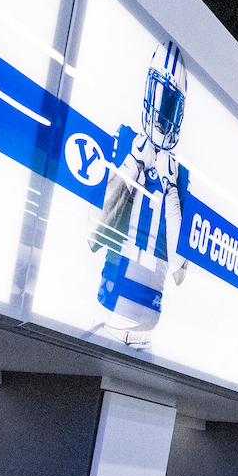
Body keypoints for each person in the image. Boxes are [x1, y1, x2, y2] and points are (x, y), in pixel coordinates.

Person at [93, 39, 189, 346]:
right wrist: (132, 165)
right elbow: (94, 235)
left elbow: (179, 272)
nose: (162, 109)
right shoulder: (123, 142)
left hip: (148, 328)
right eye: (159, 95)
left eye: (171, 101)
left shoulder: (178, 175)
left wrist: (171, 191)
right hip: (107, 313)